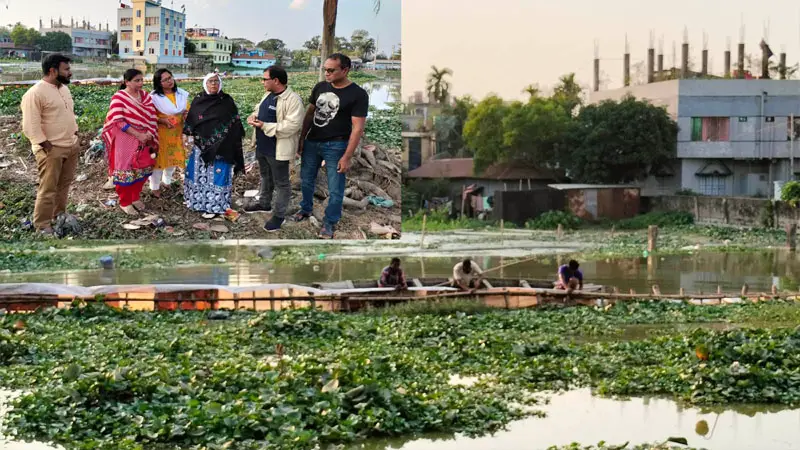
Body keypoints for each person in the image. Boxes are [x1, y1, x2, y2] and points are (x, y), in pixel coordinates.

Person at [292, 53, 369, 239]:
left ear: (345, 70)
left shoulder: (357, 94)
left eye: (331, 70)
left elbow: (357, 129)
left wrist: (347, 156)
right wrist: (302, 138)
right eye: (325, 69)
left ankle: (330, 221)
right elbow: (310, 113)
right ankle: (305, 209)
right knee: (307, 179)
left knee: (336, 188)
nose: (327, 73)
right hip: (312, 142)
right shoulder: (320, 87)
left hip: (336, 145)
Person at [20, 53, 80, 235]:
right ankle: (42, 225)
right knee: (48, 188)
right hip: (51, 149)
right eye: (66, 69)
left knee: (64, 184)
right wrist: (46, 146)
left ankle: (58, 215)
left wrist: (76, 135)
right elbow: (30, 126)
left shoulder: (63, 89)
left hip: (71, 145)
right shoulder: (35, 93)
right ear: (53, 71)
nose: (70, 73)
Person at [245, 66, 304, 232]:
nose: (262, 82)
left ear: (276, 80)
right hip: (263, 146)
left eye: (265, 79)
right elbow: (258, 109)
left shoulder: (293, 100)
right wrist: (253, 116)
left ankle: (279, 215)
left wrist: (265, 126)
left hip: (278, 149)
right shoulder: (268, 95)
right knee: (265, 176)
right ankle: (264, 203)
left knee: (282, 183)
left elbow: (292, 125)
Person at [183, 72, 245, 218]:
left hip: (223, 147)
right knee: (198, 173)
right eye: (210, 81)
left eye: (216, 81)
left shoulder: (227, 100)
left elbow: (234, 122)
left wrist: (228, 139)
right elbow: (192, 120)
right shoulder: (198, 100)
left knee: (218, 174)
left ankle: (215, 205)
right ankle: (197, 202)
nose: (213, 84)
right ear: (205, 83)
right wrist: (188, 135)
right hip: (201, 147)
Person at [101, 69, 158, 216]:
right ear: (127, 82)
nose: (141, 83)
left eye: (142, 80)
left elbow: (152, 116)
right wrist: (137, 134)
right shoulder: (119, 97)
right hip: (126, 138)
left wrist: (149, 133)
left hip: (145, 138)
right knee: (125, 170)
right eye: (136, 80)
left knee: (144, 168)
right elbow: (118, 121)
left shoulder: (145, 96)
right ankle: (125, 202)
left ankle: (135, 197)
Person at [150, 68, 190, 198]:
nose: (170, 81)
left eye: (170, 77)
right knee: (159, 161)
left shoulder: (181, 94)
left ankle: (167, 182)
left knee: (173, 158)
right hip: (161, 134)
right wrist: (161, 120)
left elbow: (187, 111)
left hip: (176, 132)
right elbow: (149, 116)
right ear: (159, 83)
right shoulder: (154, 98)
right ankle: (154, 187)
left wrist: (186, 115)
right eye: (165, 80)